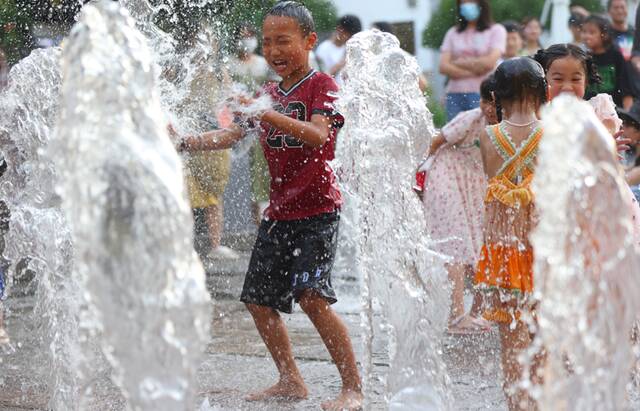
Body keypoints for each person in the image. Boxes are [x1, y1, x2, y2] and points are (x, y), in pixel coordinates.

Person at [170, 3, 363, 409]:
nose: (274, 50)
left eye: (284, 40)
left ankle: (352, 387)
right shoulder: (268, 94)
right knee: (258, 299)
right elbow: (231, 135)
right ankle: (291, 379)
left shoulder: (322, 86)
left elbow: (315, 135)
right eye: (268, 41)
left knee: (312, 297)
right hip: (279, 213)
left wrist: (269, 114)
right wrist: (184, 141)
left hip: (318, 211)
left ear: (309, 41)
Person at [474, 57, 547, 411]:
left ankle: (516, 405)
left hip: (504, 252)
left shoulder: (488, 137)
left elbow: (494, 188)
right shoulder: (550, 135)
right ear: (540, 92)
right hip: (543, 250)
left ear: (498, 94)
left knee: (511, 341)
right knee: (542, 337)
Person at [418, 75, 497, 334]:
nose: (490, 108)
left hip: (474, 186)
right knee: (456, 245)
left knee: (478, 248)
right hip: (446, 178)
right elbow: (436, 142)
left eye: (497, 103)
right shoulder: (471, 119)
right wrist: (415, 172)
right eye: (487, 101)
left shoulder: (508, 127)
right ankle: (455, 316)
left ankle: (477, 313)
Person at [228, 23, 278, 226]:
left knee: (263, 171)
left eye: (250, 35)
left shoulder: (263, 63)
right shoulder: (229, 64)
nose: (246, 40)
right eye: (242, 36)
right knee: (248, 175)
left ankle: (267, 221)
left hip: (262, 122)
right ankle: (258, 224)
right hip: (238, 121)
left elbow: (273, 90)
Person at [439, 0, 506, 120]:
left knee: (482, 134)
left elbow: (490, 62)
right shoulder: (452, 33)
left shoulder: (496, 30)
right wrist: (476, 69)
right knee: (453, 136)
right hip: (454, 94)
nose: (466, 5)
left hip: (482, 94)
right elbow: (443, 66)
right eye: (463, 2)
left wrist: (457, 63)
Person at [582, 14, 633, 109]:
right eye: (584, 32)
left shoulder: (616, 56)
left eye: (591, 32)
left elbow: (626, 89)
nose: (586, 36)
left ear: (604, 35)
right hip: (590, 113)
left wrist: (628, 116)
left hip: (614, 112)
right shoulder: (584, 58)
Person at [371, 21, 429, 93]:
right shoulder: (375, 58)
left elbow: (422, 83)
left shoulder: (399, 56)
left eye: (374, 34)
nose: (371, 38)